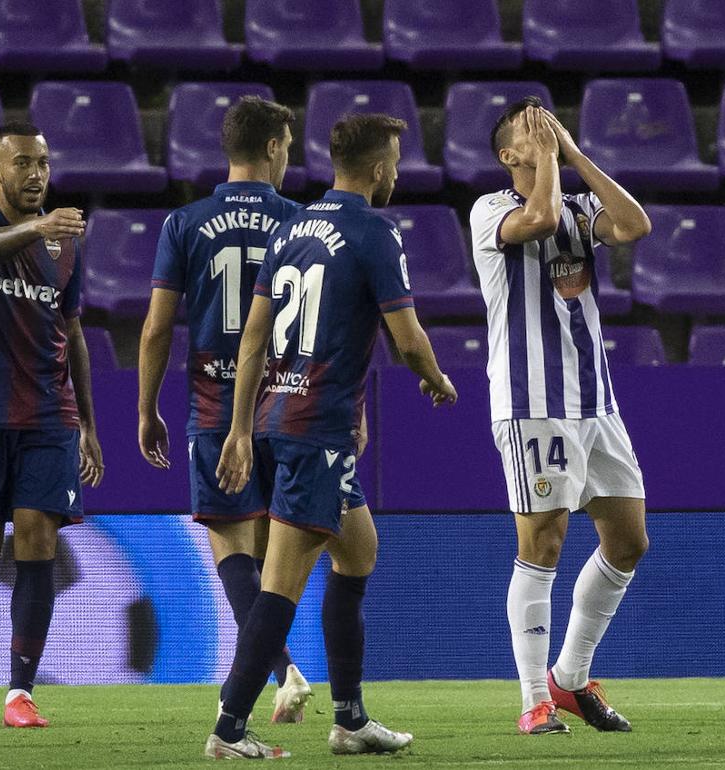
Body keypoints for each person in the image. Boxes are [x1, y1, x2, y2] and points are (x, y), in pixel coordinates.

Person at [204, 113, 458, 760]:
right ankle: (228, 730)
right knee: (281, 585)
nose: (397, 171)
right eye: (395, 161)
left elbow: (255, 337)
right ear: (377, 169)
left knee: (358, 552)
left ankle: (350, 718)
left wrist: (240, 428)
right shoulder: (374, 231)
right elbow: (406, 338)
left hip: (280, 418)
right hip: (315, 430)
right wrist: (435, 378)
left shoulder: (293, 227)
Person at [468, 98, 652, 735]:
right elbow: (538, 216)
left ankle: (570, 679)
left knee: (628, 541)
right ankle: (531, 700)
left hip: (595, 402)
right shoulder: (491, 210)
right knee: (543, 541)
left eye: (547, 123)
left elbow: (634, 226)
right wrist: (550, 160)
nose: (541, 131)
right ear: (507, 155)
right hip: (531, 402)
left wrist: (574, 156)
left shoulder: (579, 207)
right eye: (528, 130)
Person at [138, 96, 312, 723]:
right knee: (278, 554)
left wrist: (145, 408)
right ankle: (315, 692)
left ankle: (282, 671)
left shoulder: (184, 223)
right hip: (291, 403)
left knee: (233, 549)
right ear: (270, 148)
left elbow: (158, 328)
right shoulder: (302, 222)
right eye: (288, 146)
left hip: (215, 405)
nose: (289, 157)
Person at [0, 120, 104, 728]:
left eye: (43, 163)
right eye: (23, 164)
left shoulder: (68, 246)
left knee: (39, 538)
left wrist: (88, 423)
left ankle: (20, 693)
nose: (36, 174)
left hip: (47, 414)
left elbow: (74, 329)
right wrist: (38, 225)